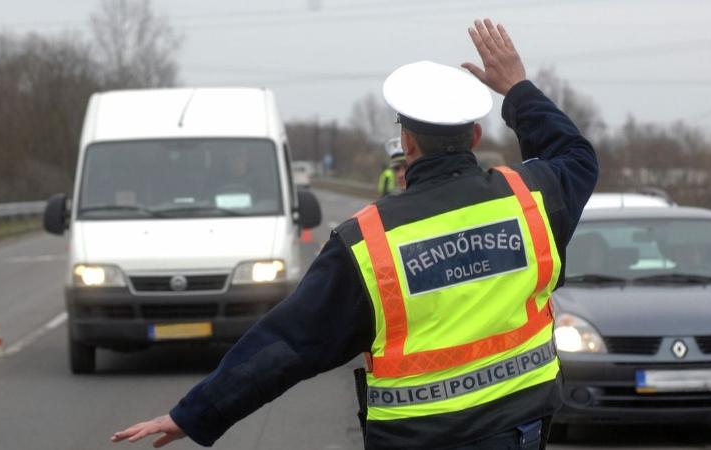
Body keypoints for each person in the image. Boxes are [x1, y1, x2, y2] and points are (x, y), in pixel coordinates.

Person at [112, 18, 598, 449]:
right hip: (520, 431)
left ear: (406, 142)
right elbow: (575, 155)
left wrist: (192, 415)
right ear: (474, 137)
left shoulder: (368, 242)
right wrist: (517, 89)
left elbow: (288, 345)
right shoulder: (531, 200)